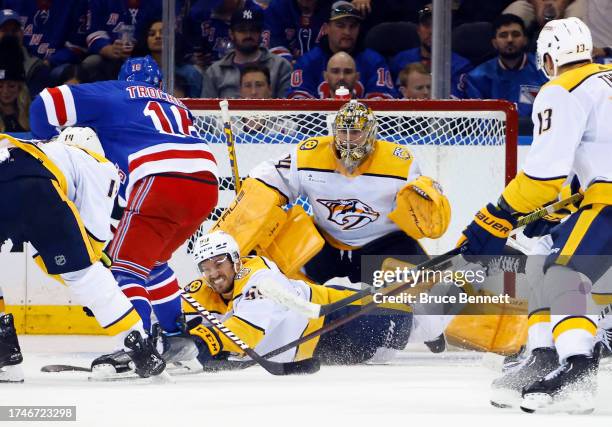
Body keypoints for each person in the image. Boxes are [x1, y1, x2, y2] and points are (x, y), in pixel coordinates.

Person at [459, 17, 610, 413]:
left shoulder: (561, 89)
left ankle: (577, 370)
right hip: (599, 198)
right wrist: (568, 201)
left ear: (547, 58)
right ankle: (545, 354)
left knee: (564, 274)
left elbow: (544, 176)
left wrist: (494, 215)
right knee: (542, 259)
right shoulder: (605, 79)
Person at [28, 57, 219, 351]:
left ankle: (139, 349)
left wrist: (47, 148)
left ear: (123, 79)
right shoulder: (177, 105)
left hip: (160, 179)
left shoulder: (114, 91)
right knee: (152, 262)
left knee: (122, 268)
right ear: (158, 84)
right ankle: (177, 340)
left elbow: (45, 102)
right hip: (207, 184)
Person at [224, 101, 450, 288]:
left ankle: (434, 336)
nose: (348, 139)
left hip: (382, 245)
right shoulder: (308, 155)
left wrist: (427, 207)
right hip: (325, 244)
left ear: (370, 133)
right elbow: (269, 179)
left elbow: (423, 210)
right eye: (343, 132)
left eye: (356, 132)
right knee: (276, 280)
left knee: (430, 289)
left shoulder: (400, 163)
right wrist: (253, 202)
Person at [0, 132, 165, 381]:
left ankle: (5, 360)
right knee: (83, 275)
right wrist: (92, 271)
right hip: (31, 183)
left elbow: (44, 254)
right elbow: (93, 235)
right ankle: (139, 348)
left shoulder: (48, 151)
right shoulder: (97, 162)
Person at [182, 230, 413, 366]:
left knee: (410, 318)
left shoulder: (259, 278)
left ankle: (440, 294)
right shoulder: (202, 289)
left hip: (339, 322)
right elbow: (172, 317)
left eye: (219, 263)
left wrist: (203, 341)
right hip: (315, 337)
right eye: (206, 267)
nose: (213, 273)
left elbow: (245, 331)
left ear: (235, 259)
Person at [287, 1, 395, 99]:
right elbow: (298, 107)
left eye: (353, 26)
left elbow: (383, 108)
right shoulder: (307, 63)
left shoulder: (374, 62)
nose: (347, 32)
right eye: (340, 26)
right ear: (326, 28)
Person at [463, 14, 547, 118]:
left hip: (534, 132)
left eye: (515, 34)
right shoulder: (477, 77)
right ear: (494, 43)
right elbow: (478, 120)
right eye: (503, 35)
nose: (510, 40)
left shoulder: (544, 70)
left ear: (525, 40)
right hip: (495, 133)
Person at [201, 5, 291, 99]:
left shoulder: (280, 66)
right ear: (231, 34)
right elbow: (206, 111)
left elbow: (287, 108)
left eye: (253, 30)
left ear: (261, 33)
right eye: (242, 30)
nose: (248, 35)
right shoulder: (215, 72)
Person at [389, 4, 472, 98]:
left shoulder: (460, 65)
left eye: (439, 25)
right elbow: (391, 96)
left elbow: (455, 101)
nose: (432, 31)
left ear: (447, 32)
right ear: (418, 30)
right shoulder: (400, 60)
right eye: (427, 25)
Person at [3, 0, 88, 86]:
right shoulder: (12, 4)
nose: (10, 33)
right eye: (5, 30)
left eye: (14, 30)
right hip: (18, 60)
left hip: (50, 65)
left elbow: (77, 47)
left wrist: (51, 61)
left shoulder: (74, 4)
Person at [82, 0, 163, 82]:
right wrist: (108, 49)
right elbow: (94, 30)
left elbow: (160, 28)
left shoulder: (158, 3)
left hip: (146, 55)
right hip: (111, 57)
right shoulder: (101, 2)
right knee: (92, 63)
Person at [132, 19, 203, 98]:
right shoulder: (137, 71)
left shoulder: (190, 73)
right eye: (152, 34)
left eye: (163, 33)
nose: (158, 36)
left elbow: (197, 106)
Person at [0, 8, 50, 98]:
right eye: (5, 30)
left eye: (14, 30)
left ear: (22, 34)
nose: (10, 35)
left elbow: (33, 103)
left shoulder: (36, 67)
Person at [263, 0, 331, 63]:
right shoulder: (277, 7)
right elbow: (275, 45)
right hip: (288, 69)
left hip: (326, 67)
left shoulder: (334, 6)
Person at [0, 36, 30, 132]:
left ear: (20, 87)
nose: (5, 91)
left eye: (11, 86)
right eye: (0, 86)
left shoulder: (32, 114)